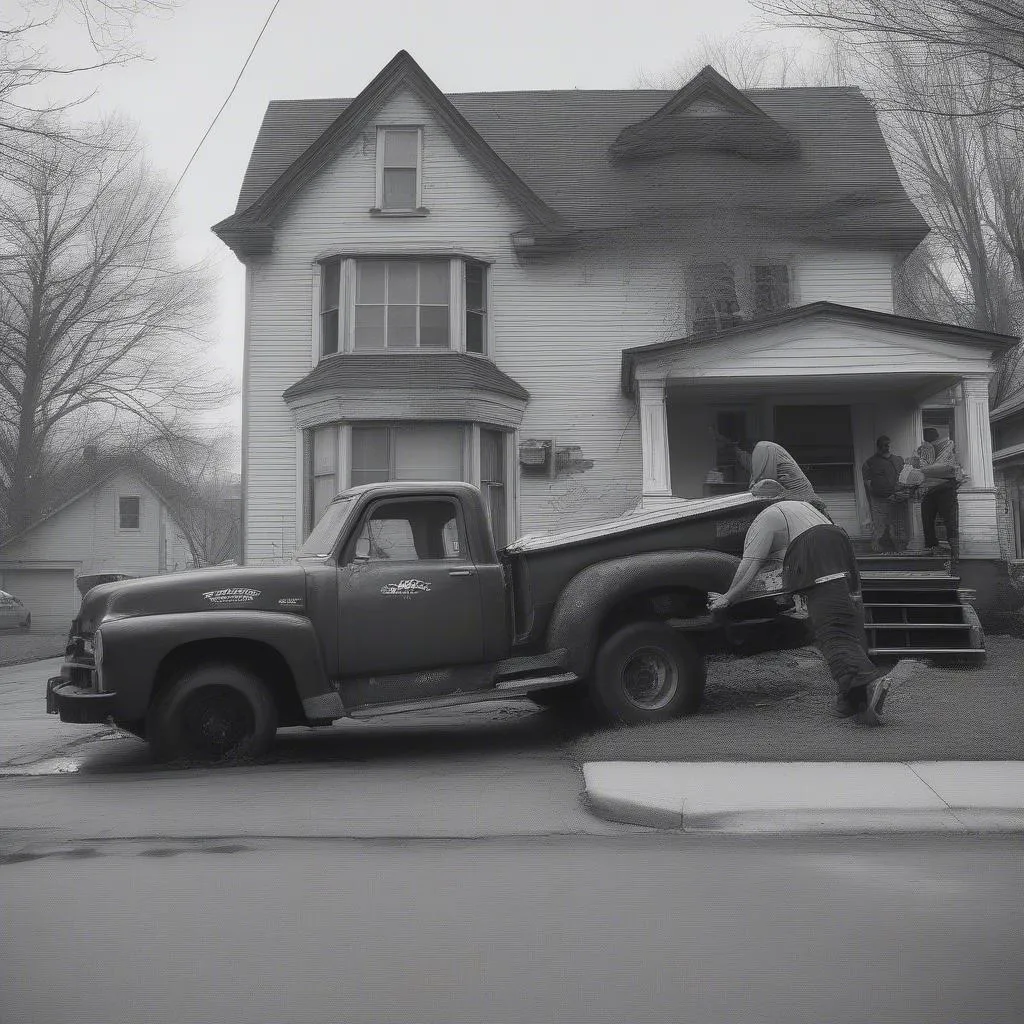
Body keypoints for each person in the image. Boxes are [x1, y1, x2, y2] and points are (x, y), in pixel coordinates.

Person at [707, 478, 895, 724]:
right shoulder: (804, 507)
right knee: (842, 627)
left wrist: (727, 597)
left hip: (816, 559)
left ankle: (868, 680)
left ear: (755, 503)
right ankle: (851, 702)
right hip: (840, 551)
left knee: (832, 634)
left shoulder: (766, 517)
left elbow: (749, 564)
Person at [714, 435, 830, 514]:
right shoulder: (764, 451)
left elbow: (764, 487)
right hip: (794, 501)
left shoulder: (763, 449)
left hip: (803, 502)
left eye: (741, 457)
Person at [913, 428, 966, 571]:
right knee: (927, 520)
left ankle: (955, 554)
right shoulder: (922, 451)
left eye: (931, 437)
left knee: (950, 520)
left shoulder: (948, 447)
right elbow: (919, 469)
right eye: (927, 437)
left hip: (945, 489)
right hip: (929, 491)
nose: (930, 439)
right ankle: (932, 550)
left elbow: (952, 469)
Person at [861, 435, 909, 553]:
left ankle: (900, 550)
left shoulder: (898, 460)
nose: (886, 447)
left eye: (887, 444)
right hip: (879, 500)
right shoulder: (869, 463)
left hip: (898, 499)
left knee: (898, 525)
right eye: (883, 445)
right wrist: (873, 498)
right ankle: (877, 551)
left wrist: (901, 493)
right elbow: (867, 484)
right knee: (879, 525)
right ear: (878, 446)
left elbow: (906, 477)